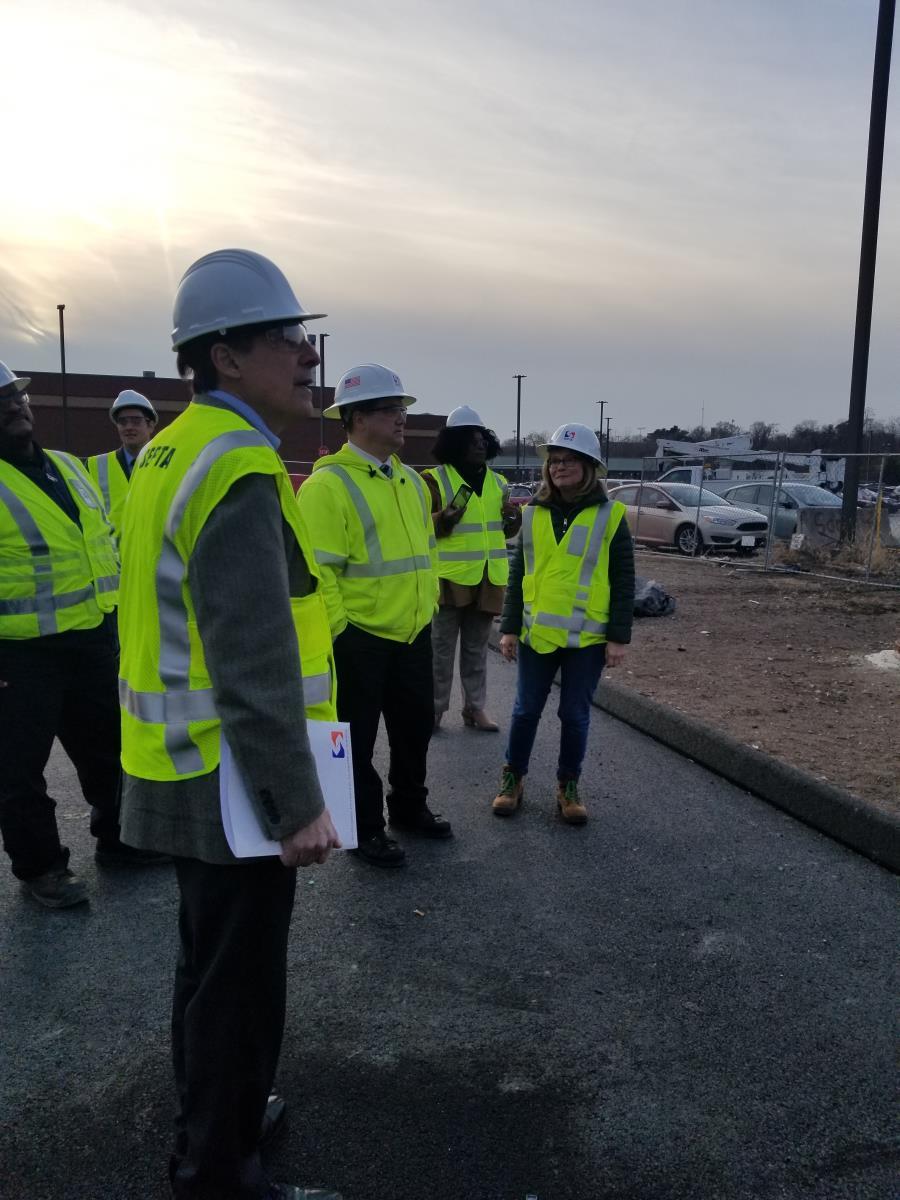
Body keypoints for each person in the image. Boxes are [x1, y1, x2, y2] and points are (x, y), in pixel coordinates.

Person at [116, 249, 343, 1200]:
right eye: (285, 338)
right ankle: (218, 1169)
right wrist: (295, 806)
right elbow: (249, 657)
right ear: (224, 358)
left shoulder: (172, 448)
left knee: (207, 970)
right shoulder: (237, 465)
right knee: (239, 984)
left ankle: (225, 1114)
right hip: (229, 779)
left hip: (179, 762)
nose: (305, 354)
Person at [0, 362, 165, 909]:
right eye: (2, 403)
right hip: (18, 653)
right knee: (19, 768)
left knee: (108, 750)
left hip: (92, 637)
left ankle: (120, 840)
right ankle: (42, 868)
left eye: (16, 398)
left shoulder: (71, 468)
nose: (14, 407)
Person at [296, 363, 447, 868]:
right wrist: (343, 633)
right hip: (359, 639)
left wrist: (427, 608)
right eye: (389, 409)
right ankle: (365, 831)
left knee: (414, 729)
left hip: (413, 631)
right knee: (356, 742)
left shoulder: (408, 480)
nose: (402, 418)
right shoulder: (327, 486)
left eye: (402, 408)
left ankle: (409, 808)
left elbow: (423, 552)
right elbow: (319, 572)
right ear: (356, 419)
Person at [493, 423, 635, 825]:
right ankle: (512, 779)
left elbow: (623, 580)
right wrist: (508, 627)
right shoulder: (534, 513)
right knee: (524, 712)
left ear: (589, 466)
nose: (559, 467)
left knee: (574, 716)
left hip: (588, 639)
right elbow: (520, 572)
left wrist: (618, 638)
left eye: (568, 460)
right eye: (554, 462)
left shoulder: (611, 517)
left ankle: (567, 785)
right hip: (538, 633)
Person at [422, 406, 520, 731]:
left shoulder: (498, 483)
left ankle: (474, 709)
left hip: (488, 577)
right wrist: (442, 519)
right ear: (454, 443)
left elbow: (503, 530)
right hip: (449, 579)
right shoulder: (434, 480)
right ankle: (434, 709)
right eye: (471, 440)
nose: (479, 445)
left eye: (483, 439)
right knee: (440, 650)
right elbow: (419, 526)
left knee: (477, 649)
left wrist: (512, 520)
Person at [86, 389, 158, 541]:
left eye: (136, 421)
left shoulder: (166, 463)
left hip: (153, 556)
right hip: (112, 560)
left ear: (150, 425)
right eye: (123, 422)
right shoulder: (95, 465)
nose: (129, 427)